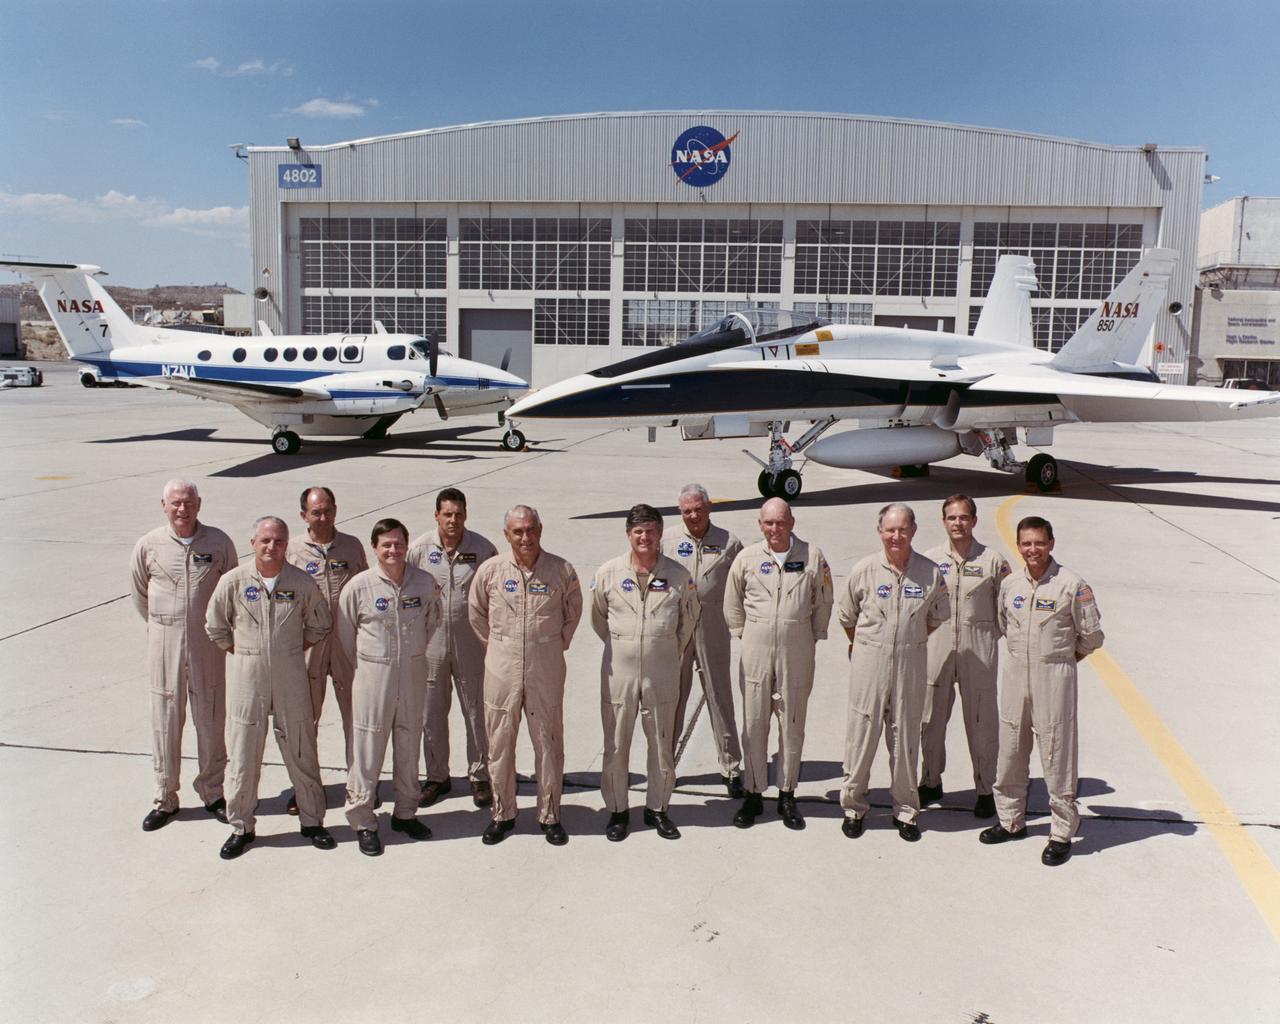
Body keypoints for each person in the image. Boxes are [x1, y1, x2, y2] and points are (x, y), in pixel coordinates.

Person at [206, 516, 335, 860]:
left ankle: (312, 820)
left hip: (291, 673)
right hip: (248, 677)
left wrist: (288, 650)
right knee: (244, 752)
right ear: (253, 543)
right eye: (265, 540)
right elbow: (215, 626)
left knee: (301, 747)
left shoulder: (301, 582)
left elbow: (320, 624)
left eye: (278, 541)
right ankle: (241, 827)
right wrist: (246, 653)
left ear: (286, 544)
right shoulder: (233, 581)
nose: (271, 547)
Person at [980, 516, 1103, 866]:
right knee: (1010, 748)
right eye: (1025, 543)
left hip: (1055, 675)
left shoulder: (1071, 585)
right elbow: (1004, 624)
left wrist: (1062, 659)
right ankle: (1010, 820)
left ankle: (1061, 832)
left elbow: (1091, 637)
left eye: (1039, 543)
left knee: (1057, 752)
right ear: (1018, 546)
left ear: (1051, 543)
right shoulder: (1010, 585)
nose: (1032, 550)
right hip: (1016, 672)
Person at [468, 505, 583, 846]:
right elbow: (476, 613)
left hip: (545, 663)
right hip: (502, 664)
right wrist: (500, 647)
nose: (525, 537)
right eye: (517, 531)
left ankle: (550, 815)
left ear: (541, 530)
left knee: (548, 741)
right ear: (507, 535)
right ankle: (503, 814)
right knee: (500, 742)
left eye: (531, 530)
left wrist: (550, 645)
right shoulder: (490, 571)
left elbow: (573, 611)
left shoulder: (561, 570)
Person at [837, 503, 950, 841]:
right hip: (869, 663)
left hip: (909, 665)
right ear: (879, 531)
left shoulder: (930, 573)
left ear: (914, 531)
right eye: (890, 529)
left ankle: (905, 811)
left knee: (904, 740)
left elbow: (936, 616)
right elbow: (847, 618)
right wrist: (871, 645)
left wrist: (906, 640)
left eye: (903, 529)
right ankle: (854, 807)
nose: (896, 536)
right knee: (861, 737)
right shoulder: (864, 570)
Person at [130, 479, 238, 831]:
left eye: (188, 502)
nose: (182, 509)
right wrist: (167, 627)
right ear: (163, 505)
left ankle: (212, 792)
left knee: (210, 719)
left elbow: (231, 591)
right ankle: (166, 798)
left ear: (199, 504)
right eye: (175, 503)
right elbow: (140, 593)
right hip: (165, 646)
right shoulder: (149, 545)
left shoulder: (219, 543)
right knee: (165, 721)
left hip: (207, 647)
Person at [723, 498, 833, 830]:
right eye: (768, 523)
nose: (775, 529)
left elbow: (824, 599)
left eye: (781, 522)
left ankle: (787, 794)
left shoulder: (812, 556)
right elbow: (732, 600)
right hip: (756, 646)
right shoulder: (746, 558)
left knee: (792, 723)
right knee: (754, 722)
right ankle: (754, 793)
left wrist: (811, 634)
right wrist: (743, 632)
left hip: (796, 647)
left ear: (792, 522)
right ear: (760, 525)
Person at [592, 504, 700, 841]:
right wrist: (625, 646)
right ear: (628, 534)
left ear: (660, 534)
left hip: (662, 671)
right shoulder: (608, 573)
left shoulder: (679, 576)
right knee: (616, 744)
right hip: (619, 673)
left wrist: (662, 648)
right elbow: (598, 619)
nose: (644, 537)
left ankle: (658, 809)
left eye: (651, 531)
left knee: (661, 743)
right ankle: (618, 811)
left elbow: (688, 621)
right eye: (638, 531)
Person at [337, 518, 442, 856]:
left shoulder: (424, 583)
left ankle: (406, 812)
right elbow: (345, 634)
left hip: (411, 671)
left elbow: (432, 620)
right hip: (373, 676)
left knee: (409, 743)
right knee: (367, 749)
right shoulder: (359, 587)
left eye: (398, 543)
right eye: (386, 545)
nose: (393, 550)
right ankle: (364, 820)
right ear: (375, 548)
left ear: (407, 545)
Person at [919, 495, 1010, 818]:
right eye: (952, 518)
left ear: (974, 521)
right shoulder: (928, 561)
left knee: (982, 724)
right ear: (944, 521)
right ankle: (930, 781)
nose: (958, 524)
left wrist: (987, 636)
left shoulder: (993, 562)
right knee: (930, 721)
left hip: (979, 654)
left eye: (964, 517)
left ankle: (986, 789)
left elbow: (1007, 608)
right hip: (938, 651)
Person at [408, 487, 497, 809]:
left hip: (471, 642)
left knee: (476, 709)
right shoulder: (419, 550)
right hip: (431, 643)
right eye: (447, 514)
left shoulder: (484, 549)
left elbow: (496, 594)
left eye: (459, 514)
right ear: (436, 516)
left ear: (465, 515)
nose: (453, 520)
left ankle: (480, 775)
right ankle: (436, 776)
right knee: (431, 710)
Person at [285, 486, 368, 813]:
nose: (323, 518)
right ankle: (305, 788)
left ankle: (359, 784)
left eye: (328, 510)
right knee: (305, 720)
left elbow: (364, 588)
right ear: (303, 515)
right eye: (315, 512)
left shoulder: (351, 546)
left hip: (347, 645)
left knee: (357, 717)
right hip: (309, 646)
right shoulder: (291, 551)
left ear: (336, 510)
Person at [666, 483, 745, 797]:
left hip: (713, 625)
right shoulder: (668, 540)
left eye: (698, 509)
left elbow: (742, 586)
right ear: (680, 512)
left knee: (719, 696)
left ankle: (730, 766)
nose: (693, 516)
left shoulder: (729, 543)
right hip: (677, 627)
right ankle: (664, 765)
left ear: (709, 507)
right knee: (673, 698)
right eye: (687, 511)